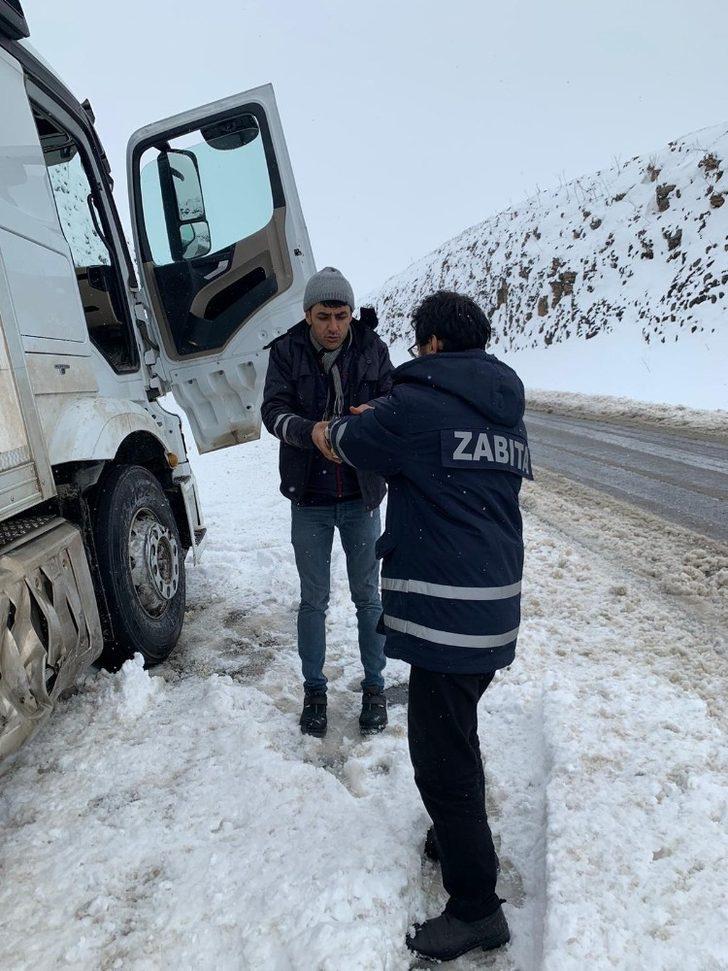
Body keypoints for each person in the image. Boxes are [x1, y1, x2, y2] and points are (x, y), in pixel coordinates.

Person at [325, 290, 531, 962]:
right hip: (492, 610)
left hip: (450, 615)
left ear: (435, 343)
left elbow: (352, 442)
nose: (416, 354)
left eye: (419, 344)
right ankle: (455, 829)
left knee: (439, 759)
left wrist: (329, 427)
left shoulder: (416, 405)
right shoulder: (502, 409)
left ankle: (476, 909)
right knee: (456, 724)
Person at [261, 267, 394, 738]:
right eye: (324, 316)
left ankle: (375, 688)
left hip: (361, 498)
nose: (334, 326)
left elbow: (395, 403)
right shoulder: (285, 351)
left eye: (341, 316)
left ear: (352, 315)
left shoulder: (373, 351)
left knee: (368, 599)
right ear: (307, 315)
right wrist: (309, 431)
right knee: (313, 601)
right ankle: (314, 690)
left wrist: (372, 414)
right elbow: (272, 412)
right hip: (309, 498)